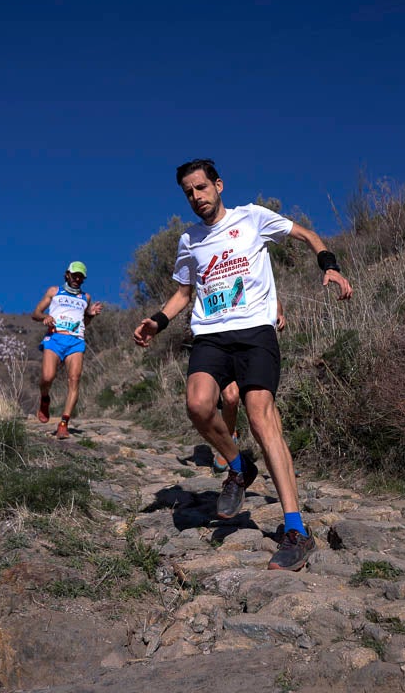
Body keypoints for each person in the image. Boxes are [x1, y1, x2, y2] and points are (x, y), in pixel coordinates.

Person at [134, 159, 353, 572]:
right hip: (211, 335)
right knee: (198, 406)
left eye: (201, 188)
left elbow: (306, 234)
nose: (196, 197)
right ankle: (238, 466)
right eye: (189, 193)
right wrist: (158, 321)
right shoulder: (190, 241)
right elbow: (185, 291)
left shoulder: (252, 218)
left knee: (260, 417)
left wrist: (330, 266)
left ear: (218, 185)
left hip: (255, 332)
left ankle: (295, 531)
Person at [32, 261, 103, 439]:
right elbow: (36, 313)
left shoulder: (85, 298)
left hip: (76, 341)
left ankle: (64, 423)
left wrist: (91, 315)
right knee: (48, 377)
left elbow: (84, 323)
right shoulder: (54, 291)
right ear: (67, 275)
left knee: (74, 380)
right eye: (74, 275)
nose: (77, 279)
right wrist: (45, 317)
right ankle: (45, 398)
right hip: (55, 339)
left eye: (80, 277)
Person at [212, 301, 286, 472]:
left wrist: (279, 312)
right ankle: (228, 444)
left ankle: (279, 452)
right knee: (230, 397)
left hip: (253, 335)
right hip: (220, 339)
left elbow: (268, 287)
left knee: (263, 397)